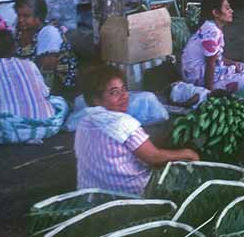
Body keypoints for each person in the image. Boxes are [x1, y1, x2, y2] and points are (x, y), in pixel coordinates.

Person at [75, 65, 198, 195]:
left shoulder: (84, 122)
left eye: (124, 89)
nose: (124, 96)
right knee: (181, 174)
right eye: (114, 92)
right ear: (96, 100)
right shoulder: (122, 123)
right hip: (128, 193)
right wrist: (188, 153)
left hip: (90, 194)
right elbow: (154, 157)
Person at [0, 30, 68, 145]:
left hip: (8, 129)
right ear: (14, 47)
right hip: (47, 125)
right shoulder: (29, 64)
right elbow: (45, 92)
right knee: (59, 102)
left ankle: (22, 131)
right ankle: (31, 131)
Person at [180, 0, 244, 92]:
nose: (231, 11)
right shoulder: (212, 32)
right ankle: (213, 89)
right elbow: (210, 63)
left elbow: (216, 58)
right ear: (216, 13)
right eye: (227, 8)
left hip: (201, 72)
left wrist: (234, 63)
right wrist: (210, 92)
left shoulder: (211, 27)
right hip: (198, 77)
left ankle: (227, 84)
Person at [13, 0, 78, 94]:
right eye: (19, 15)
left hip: (57, 90)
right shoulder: (19, 32)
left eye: (26, 16)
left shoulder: (48, 33)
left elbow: (47, 72)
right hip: (30, 85)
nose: (20, 19)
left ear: (38, 17)